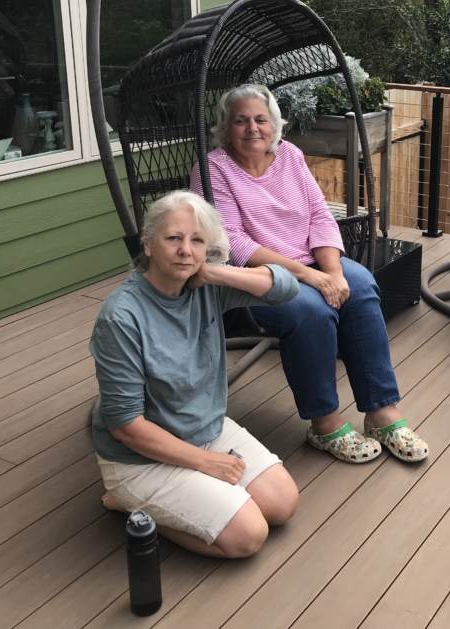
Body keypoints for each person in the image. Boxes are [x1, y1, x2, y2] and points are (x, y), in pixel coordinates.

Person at [190, 84, 429, 465]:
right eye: (241, 120)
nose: (253, 128)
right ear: (225, 127)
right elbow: (231, 241)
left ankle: (382, 411)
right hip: (258, 274)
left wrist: (332, 272)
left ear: (274, 124)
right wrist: (310, 276)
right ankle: (324, 423)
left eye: (260, 119)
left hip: (310, 258)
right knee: (309, 310)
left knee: (361, 284)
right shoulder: (212, 169)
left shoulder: (290, 155)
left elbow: (319, 214)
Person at [90, 191, 301, 558]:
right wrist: (207, 464)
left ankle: (191, 492)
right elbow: (126, 426)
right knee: (248, 535)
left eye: (197, 240)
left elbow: (286, 289)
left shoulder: (206, 290)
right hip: (140, 458)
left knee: (282, 504)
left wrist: (215, 273)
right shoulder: (121, 318)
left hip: (204, 428)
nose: (185, 249)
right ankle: (128, 501)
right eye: (174, 238)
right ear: (149, 244)